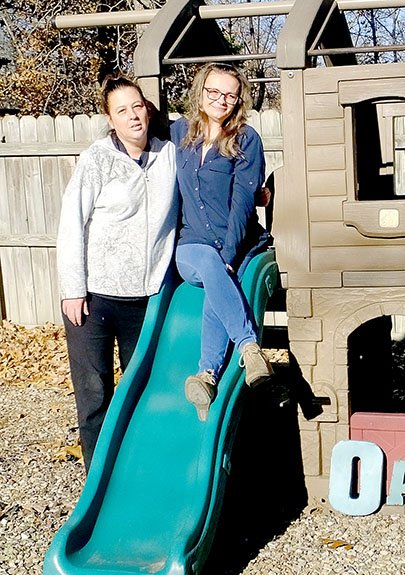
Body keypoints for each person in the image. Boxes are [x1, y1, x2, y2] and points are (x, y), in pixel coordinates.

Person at [56, 76, 178, 471]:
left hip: (144, 299)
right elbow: (71, 223)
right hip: (93, 298)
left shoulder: (169, 155)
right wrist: (73, 289)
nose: (133, 116)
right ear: (110, 119)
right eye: (122, 110)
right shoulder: (96, 159)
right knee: (94, 394)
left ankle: (136, 470)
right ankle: (97, 478)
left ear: (148, 109)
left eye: (137, 106)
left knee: (141, 391)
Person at [170, 62, 274, 421]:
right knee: (213, 267)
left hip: (237, 242)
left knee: (220, 278)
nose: (221, 100)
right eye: (213, 91)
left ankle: (207, 375)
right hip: (191, 244)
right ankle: (249, 347)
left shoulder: (246, 139)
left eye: (229, 94)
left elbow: (243, 204)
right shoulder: (177, 133)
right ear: (200, 91)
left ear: (238, 99)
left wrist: (230, 253)